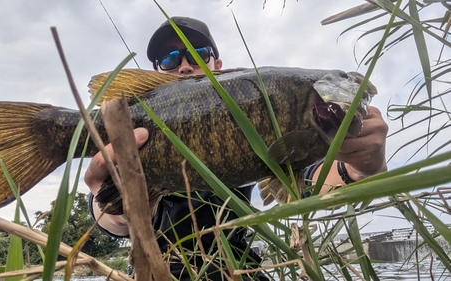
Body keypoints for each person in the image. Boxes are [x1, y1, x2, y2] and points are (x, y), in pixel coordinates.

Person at [85, 16, 388, 280]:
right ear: (155, 72)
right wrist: (116, 203)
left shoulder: (259, 113)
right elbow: (109, 219)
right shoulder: (133, 127)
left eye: (198, 54)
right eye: (170, 60)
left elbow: (314, 182)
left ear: (218, 66)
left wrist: (362, 168)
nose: (186, 66)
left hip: (235, 269)